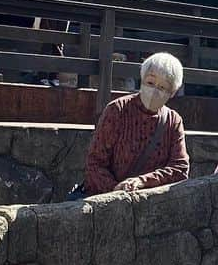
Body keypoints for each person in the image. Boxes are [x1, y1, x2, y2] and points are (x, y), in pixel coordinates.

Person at [82, 53, 191, 195]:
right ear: (142, 79)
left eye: (162, 87)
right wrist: (116, 191)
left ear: (172, 92)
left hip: (151, 205)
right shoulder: (118, 109)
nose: (154, 91)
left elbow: (180, 168)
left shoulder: (173, 120)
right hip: (108, 201)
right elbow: (95, 162)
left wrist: (142, 182)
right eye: (150, 83)